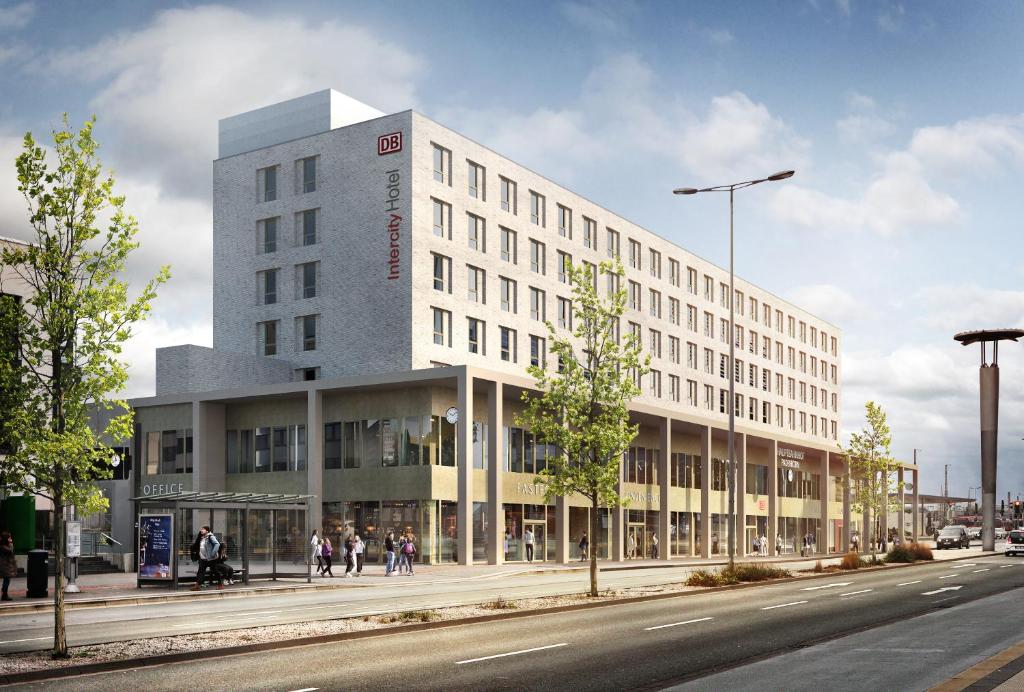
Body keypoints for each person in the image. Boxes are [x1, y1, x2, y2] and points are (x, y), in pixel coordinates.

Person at [191, 526, 221, 590]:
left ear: (207, 531)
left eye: (203, 529)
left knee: (215, 571)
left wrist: (213, 553)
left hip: (211, 558)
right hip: (203, 558)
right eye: (201, 529)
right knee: (201, 572)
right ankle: (197, 586)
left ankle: (220, 584)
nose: (201, 530)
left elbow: (217, 544)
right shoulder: (201, 538)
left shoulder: (210, 537)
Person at [0, 531, 15, 601]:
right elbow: (11, 551)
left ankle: (4, 593)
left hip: (6, 565)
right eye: (9, 538)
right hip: (5, 566)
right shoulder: (4, 547)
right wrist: (11, 544)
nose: (10, 539)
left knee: (7, 580)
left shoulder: (4, 546)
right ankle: (4, 595)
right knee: (6, 580)